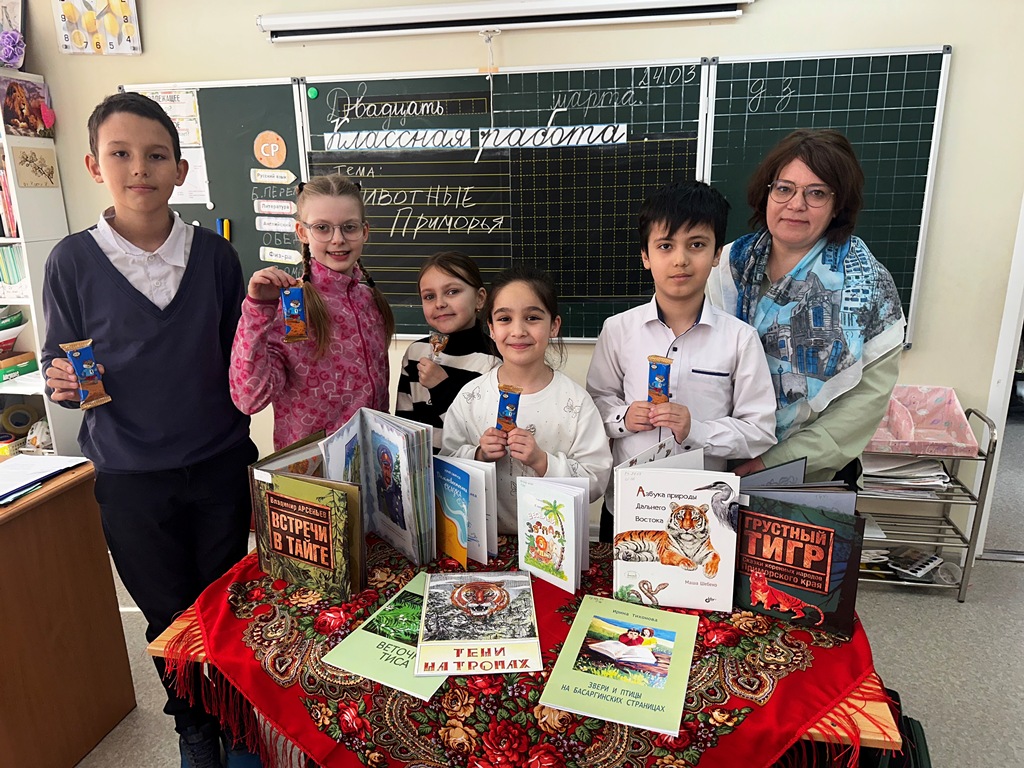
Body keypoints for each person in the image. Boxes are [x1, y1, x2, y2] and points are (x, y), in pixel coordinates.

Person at [40, 92, 259, 768]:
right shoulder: (71, 261)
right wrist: (60, 381)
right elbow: (58, 361)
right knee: (167, 615)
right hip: (130, 475)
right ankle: (194, 728)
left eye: (157, 155)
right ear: (93, 165)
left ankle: (237, 720)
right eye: (121, 154)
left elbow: (242, 361)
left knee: (223, 604)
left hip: (218, 461)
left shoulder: (216, 257)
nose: (140, 168)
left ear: (180, 170)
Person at [707, 129, 906, 485]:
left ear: (837, 205)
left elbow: (865, 402)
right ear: (767, 193)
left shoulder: (869, 284)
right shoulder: (724, 266)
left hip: (809, 476)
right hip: (716, 458)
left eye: (816, 193)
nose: (796, 204)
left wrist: (774, 462)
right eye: (784, 189)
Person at [586, 180, 777, 542]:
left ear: (717, 254)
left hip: (702, 512)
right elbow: (595, 403)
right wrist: (623, 417)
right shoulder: (618, 330)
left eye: (697, 245)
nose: (680, 259)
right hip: (630, 504)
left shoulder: (740, 338)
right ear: (645, 256)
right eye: (665, 246)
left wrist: (697, 431)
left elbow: (759, 430)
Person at [441, 266, 612, 534]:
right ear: (491, 328)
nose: (518, 330)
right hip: (485, 540)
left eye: (532, 318)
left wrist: (543, 461)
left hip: (554, 545)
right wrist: (479, 455)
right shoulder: (471, 396)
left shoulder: (575, 402)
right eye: (504, 319)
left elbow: (596, 480)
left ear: (554, 325)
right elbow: (446, 466)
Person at [229, 174, 393, 451]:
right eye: (322, 228)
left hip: (375, 460)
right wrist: (257, 311)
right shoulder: (292, 307)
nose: (338, 239)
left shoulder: (370, 301)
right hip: (314, 469)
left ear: (364, 231)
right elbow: (249, 399)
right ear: (302, 232)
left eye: (349, 227)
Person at [395, 251, 500, 451]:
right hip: (420, 466)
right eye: (429, 296)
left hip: (465, 467)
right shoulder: (415, 354)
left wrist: (441, 388)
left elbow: (482, 438)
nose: (440, 303)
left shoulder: (493, 362)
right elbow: (403, 426)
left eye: (452, 292)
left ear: (479, 299)